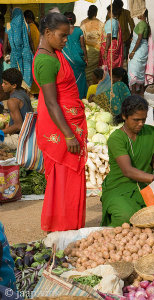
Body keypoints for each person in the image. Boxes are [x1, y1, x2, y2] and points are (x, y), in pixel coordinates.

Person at [33, 12, 87, 232]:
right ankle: (61, 226)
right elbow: (52, 103)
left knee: (71, 180)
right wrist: (69, 135)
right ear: (47, 33)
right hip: (60, 127)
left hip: (67, 122)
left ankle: (71, 225)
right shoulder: (45, 60)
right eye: (63, 36)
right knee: (63, 179)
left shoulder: (54, 54)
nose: (66, 41)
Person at [101, 96, 154, 227]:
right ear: (124, 116)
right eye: (136, 120)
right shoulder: (116, 138)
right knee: (126, 217)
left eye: (143, 119)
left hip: (145, 187)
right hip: (119, 188)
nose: (141, 123)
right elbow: (127, 170)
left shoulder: (149, 132)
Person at [0, 68, 33, 149]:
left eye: (5, 83)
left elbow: (18, 126)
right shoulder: (23, 93)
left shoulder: (12, 101)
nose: (2, 85)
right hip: (31, 135)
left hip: (20, 138)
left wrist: (1, 132)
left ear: (14, 85)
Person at [3, 8, 34, 90]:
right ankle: (26, 95)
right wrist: (33, 52)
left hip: (15, 55)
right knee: (27, 74)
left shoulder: (9, 25)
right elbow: (30, 41)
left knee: (16, 75)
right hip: (27, 54)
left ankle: (17, 94)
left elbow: (5, 43)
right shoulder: (26, 25)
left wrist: (4, 54)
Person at [63, 12, 88, 99]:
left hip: (66, 59)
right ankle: (80, 97)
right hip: (79, 59)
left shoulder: (62, 31)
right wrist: (86, 58)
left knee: (68, 78)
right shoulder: (79, 30)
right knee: (80, 78)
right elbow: (83, 46)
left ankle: (69, 97)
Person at [128, 9, 150, 95]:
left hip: (138, 49)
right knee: (140, 71)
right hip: (143, 49)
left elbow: (139, 38)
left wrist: (133, 52)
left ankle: (133, 93)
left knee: (134, 71)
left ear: (142, 14)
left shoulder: (141, 24)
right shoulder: (146, 24)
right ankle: (141, 92)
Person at [81, 5, 104, 87]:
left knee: (86, 70)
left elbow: (81, 38)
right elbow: (103, 38)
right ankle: (93, 88)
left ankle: (86, 88)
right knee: (95, 71)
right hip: (96, 51)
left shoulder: (83, 23)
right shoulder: (100, 23)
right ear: (96, 13)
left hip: (87, 51)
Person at [99, 5, 123, 71]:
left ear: (110, 12)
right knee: (113, 67)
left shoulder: (110, 22)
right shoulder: (117, 21)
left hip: (109, 46)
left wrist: (106, 51)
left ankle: (109, 80)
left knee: (108, 66)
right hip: (114, 44)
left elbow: (109, 36)